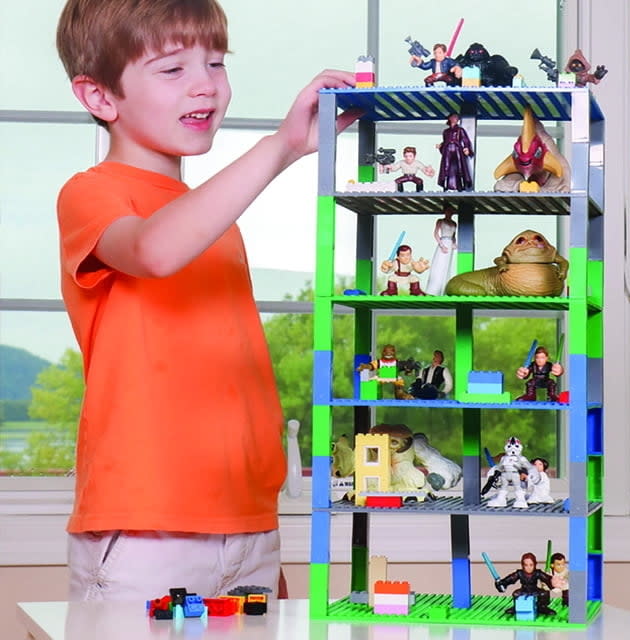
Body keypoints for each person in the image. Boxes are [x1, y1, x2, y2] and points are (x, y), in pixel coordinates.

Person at [55, 0, 361, 602]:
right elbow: (154, 251)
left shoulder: (218, 221)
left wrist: (258, 534)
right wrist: (281, 147)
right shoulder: (91, 195)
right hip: (146, 529)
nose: (206, 85)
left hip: (246, 526)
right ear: (99, 97)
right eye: (172, 70)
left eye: (216, 63)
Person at [437, 113, 474, 192]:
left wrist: (466, 148)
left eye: (456, 118)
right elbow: (445, 141)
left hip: (457, 148)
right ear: (449, 118)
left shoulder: (460, 130)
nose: (455, 119)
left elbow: (465, 140)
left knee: (460, 166)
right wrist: (441, 146)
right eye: (453, 117)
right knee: (446, 167)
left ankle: (461, 185)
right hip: (447, 149)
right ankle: (446, 184)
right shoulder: (446, 131)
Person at [425, 205, 457, 295]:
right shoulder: (440, 221)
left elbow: (454, 236)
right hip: (443, 241)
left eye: (451, 211)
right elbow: (436, 233)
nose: (449, 213)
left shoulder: (454, 223)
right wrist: (441, 245)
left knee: (447, 265)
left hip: (450, 243)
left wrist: (454, 243)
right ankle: (433, 290)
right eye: (448, 211)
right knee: (439, 264)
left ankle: (444, 289)